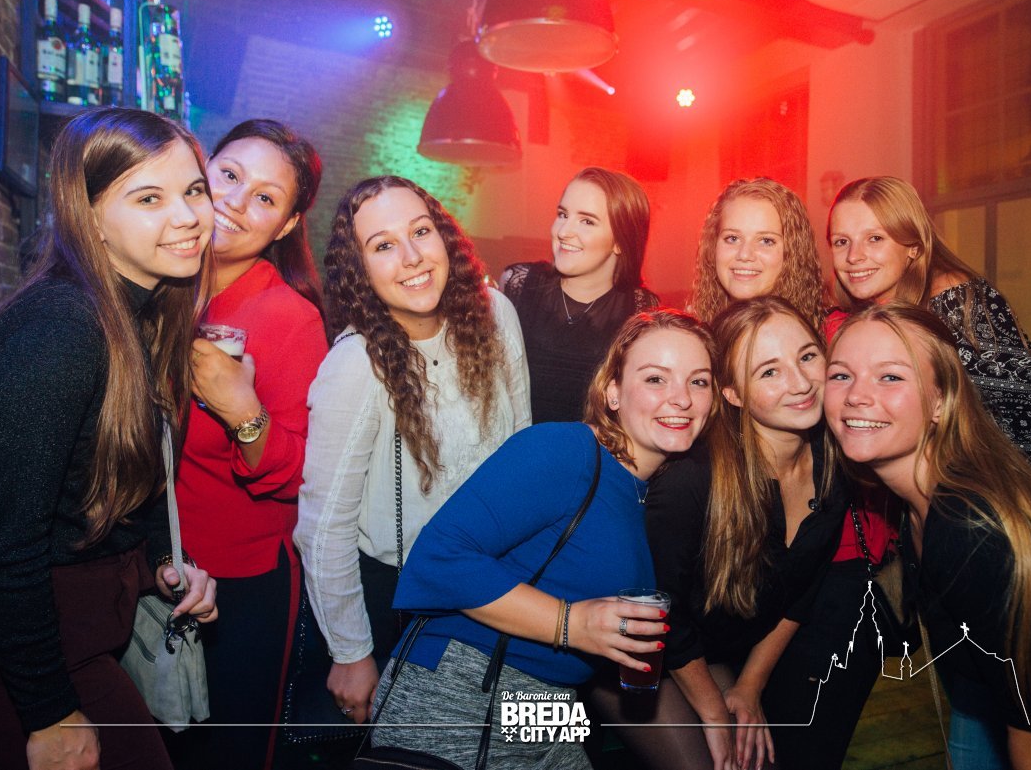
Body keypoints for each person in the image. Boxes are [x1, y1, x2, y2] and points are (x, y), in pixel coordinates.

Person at [0, 108, 219, 770]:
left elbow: (119, 480)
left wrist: (163, 561)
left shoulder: (141, 313)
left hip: (84, 631)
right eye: (149, 198)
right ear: (88, 215)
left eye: (194, 190)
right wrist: (48, 712)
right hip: (17, 653)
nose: (187, 216)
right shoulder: (58, 333)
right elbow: (3, 550)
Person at [370, 309, 718, 770]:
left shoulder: (648, 493)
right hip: (462, 694)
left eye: (699, 382)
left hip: (551, 706)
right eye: (656, 378)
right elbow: (438, 557)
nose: (682, 398)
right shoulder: (567, 451)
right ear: (612, 391)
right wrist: (571, 623)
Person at [826, 301, 1031, 770]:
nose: (856, 395)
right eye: (840, 375)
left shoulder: (971, 532)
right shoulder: (920, 499)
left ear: (941, 401)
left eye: (890, 376)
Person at [595, 297, 882, 770]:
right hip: (639, 654)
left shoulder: (834, 462)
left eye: (808, 356)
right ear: (732, 393)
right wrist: (713, 709)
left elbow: (802, 592)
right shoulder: (693, 480)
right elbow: (662, 611)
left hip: (711, 655)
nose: (801, 382)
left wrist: (749, 686)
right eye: (769, 371)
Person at [296, 175, 531, 727]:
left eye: (420, 232)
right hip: (400, 600)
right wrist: (351, 653)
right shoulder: (357, 365)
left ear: (444, 237)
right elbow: (324, 527)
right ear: (360, 270)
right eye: (383, 245)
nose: (411, 257)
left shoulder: (495, 313)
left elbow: (521, 450)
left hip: (495, 583)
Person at [174, 119, 327, 769]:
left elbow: (299, 474)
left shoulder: (290, 317)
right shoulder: (160, 283)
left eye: (265, 197)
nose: (235, 201)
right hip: (149, 568)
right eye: (230, 175)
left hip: (237, 590)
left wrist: (243, 411)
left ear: (286, 224)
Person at [827, 176, 1031, 489]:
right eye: (842, 242)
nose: (854, 256)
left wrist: (968, 491)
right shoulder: (872, 313)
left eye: (875, 238)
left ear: (913, 247)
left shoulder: (953, 301)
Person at [501, 166, 659, 423]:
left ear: (620, 241)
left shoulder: (641, 311)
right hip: (516, 445)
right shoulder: (519, 284)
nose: (563, 231)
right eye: (562, 214)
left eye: (587, 221)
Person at [689, 177, 827, 330]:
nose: (744, 254)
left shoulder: (818, 334)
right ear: (713, 246)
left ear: (794, 252)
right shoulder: (694, 333)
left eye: (766, 241)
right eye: (732, 238)